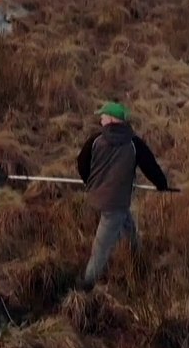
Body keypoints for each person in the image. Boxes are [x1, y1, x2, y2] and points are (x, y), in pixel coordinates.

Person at [75, 101, 175, 290]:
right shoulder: (134, 143)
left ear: (112, 120)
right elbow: (150, 167)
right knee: (102, 246)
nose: (101, 119)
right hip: (115, 202)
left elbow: (81, 163)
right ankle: (88, 282)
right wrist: (161, 184)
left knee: (125, 225)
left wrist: (91, 182)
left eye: (103, 116)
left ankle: (136, 257)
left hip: (103, 199)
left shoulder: (95, 140)